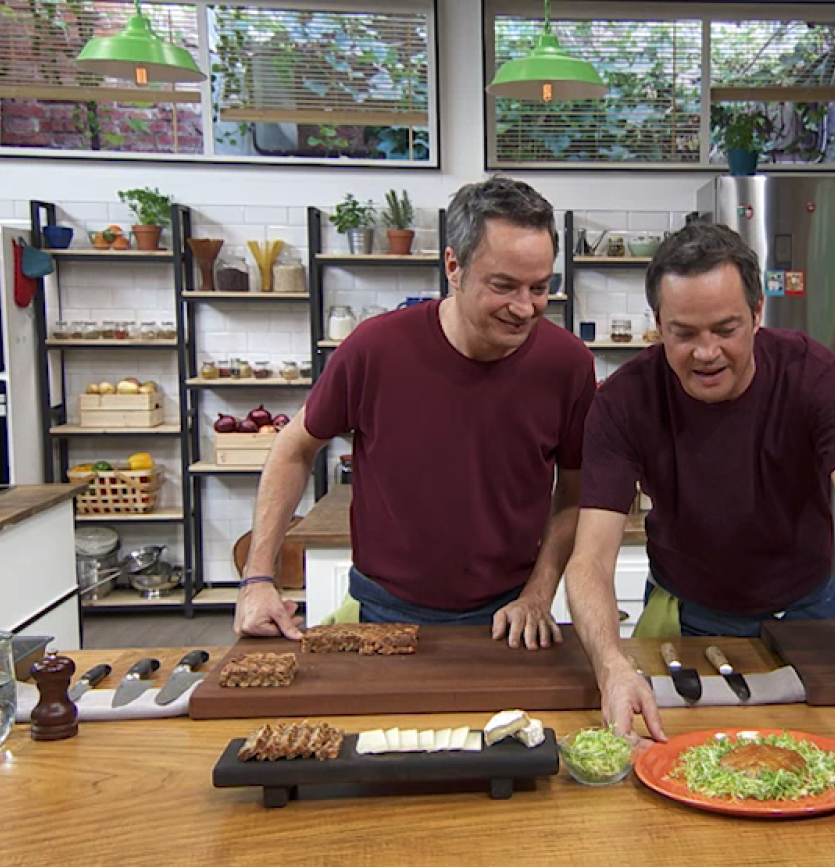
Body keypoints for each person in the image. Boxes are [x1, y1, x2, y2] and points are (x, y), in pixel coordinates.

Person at [565, 220, 835, 785]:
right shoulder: (623, 402)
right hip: (682, 615)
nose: (707, 353)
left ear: (758, 313)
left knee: (826, 764)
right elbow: (589, 558)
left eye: (727, 328)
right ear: (656, 326)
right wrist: (611, 666)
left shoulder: (817, 378)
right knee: (671, 770)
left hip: (808, 614)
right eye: (683, 333)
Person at [234, 176, 594, 650]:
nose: (525, 308)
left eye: (539, 287)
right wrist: (258, 577)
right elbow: (294, 448)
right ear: (454, 266)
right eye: (504, 286)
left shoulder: (566, 364)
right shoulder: (375, 349)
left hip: (511, 616)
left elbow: (574, 492)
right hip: (382, 611)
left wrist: (539, 593)